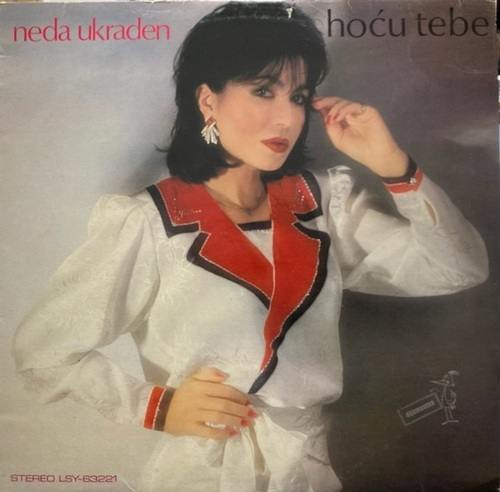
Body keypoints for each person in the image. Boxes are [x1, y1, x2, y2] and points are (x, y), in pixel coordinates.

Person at [12, 3, 488, 491]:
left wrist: (393, 166)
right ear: (207, 100)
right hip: (206, 474)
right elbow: (42, 352)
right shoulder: (148, 221)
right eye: (263, 91)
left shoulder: (324, 203)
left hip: (313, 469)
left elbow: (457, 267)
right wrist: (158, 407)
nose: (286, 117)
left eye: (298, 96)